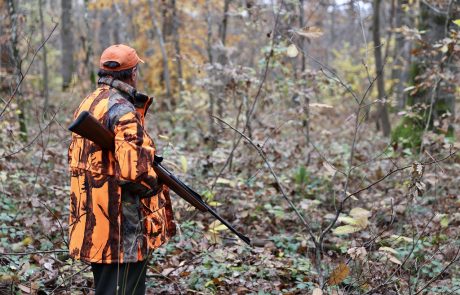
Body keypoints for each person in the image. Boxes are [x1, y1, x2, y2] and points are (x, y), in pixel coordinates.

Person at [68, 44, 176, 294]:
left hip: (93, 221)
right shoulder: (124, 110)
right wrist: (157, 183)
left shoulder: (89, 102)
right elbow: (135, 175)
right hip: (121, 229)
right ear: (133, 72)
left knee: (107, 288)